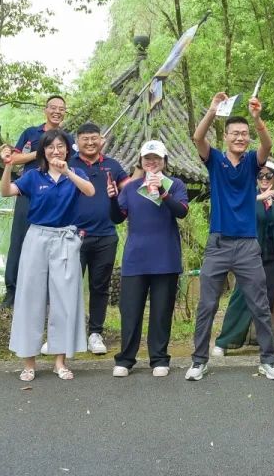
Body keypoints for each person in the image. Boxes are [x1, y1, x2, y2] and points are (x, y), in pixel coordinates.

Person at [187, 92, 274, 382]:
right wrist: (213, 108)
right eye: (235, 133)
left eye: (244, 134)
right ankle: (199, 360)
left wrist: (257, 119)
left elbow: (267, 144)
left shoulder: (253, 162)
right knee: (207, 305)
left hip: (246, 245)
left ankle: (268, 360)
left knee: (259, 303)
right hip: (218, 244)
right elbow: (198, 137)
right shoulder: (215, 160)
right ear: (226, 136)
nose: (240, 138)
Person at [0, 129, 95, 382]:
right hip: (37, 237)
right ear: (43, 150)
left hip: (65, 239)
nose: (56, 150)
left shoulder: (75, 174)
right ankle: (28, 363)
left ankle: (59, 361)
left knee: (64, 300)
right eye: (51, 146)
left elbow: (90, 191)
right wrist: (8, 166)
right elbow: (6, 191)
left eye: (61, 146)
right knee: (30, 297)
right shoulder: (33, 176)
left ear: (68, 149)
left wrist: (66, 171)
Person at [109, 140, 189, 377]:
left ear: (164, 161)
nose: (151, 163)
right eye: (147, 159)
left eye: (156, 158)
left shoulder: (175, 184)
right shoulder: (131, 188)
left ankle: (159, 358)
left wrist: (162, 192)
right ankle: (125, 359)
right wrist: (112, 199)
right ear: (141, 161)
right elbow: (117, 217)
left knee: (161, 311)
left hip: (165, 257)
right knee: (130, 311)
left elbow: (181, 211)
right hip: (135, 258)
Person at [214, 160, 274, 355]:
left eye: (269, 176)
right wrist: (259, 198)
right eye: (260, 176)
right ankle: (224, 341)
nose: (264, 179)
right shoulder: (250, 198)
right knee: (243, 298)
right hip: (252, 257)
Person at [0, 95, 67, 308]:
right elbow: (15, 159)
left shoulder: (67, 138)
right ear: (45, 110)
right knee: (19, 238)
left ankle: (46, 294)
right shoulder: (31, 133)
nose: (57, 111)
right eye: (53, 108)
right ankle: (12, 291)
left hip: (55, 195)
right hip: (28, 191)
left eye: (61, 109)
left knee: (52, 242)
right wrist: (40, 153)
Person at [70, 122, 130, 355]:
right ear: (77, 141)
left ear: (102, 140)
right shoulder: (70, 164)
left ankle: (95, 333)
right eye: (85, 138)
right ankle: (67, 334)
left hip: (106, 235)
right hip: (73, 235)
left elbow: (130, 188)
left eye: (94, 138)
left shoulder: (113, 166)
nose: (90, 142)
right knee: (68, 286)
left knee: (100, 286)